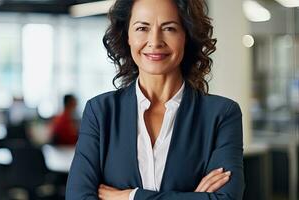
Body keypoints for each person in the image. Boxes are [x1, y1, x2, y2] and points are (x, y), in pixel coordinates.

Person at [66, 0, 244, 200]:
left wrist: (131, 197)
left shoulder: (222, 114)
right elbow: (77, 197)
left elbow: (226, 198)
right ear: (127, 36)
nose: (155, 41)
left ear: (187, 35)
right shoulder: (100, 111)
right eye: (142, 28)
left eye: (169, 28)